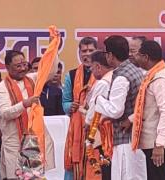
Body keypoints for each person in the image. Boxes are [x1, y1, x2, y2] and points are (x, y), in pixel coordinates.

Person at [0, 49, 57, 179]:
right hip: (14, 143)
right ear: (7, 67)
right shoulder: (1, 87)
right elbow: (5, 113)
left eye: (24, 64)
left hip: (33, 141)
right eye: (18, 66)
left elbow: (50, 72)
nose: (23, 68)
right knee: (16, 177)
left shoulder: (31, 79)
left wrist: (54, 48)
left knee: (35, 177)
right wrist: (24, 104)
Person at [94, 35, 147, 180]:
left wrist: (98, 100)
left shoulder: (121, 77)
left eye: (105, 53)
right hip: (135, 138)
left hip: (126, 141)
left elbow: (116, 111)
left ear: (110, 55)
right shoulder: (134, 69)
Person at [132, 40, 165, 180]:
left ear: (146, 57)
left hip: (157, 145)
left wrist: (159, 144)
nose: (135, 57)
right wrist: (129, 120)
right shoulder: (151, 76)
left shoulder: (161, 78)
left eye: (137, 54)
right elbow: (146, 109)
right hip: (151, 143)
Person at [63, 37, 97, 179]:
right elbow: (65, 103)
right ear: (79, 52)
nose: (87, 54)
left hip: (96, 128)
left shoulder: (104, 74)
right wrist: (71, 106)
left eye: (91, 50)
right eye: (84, 51)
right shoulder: (71, 75)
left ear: (97, 51)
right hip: (77, 128)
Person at [85, 50, 113, 180]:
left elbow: (94, 108)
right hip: (111, 132)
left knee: (106, 170)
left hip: (104, 133)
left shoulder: (102, 83)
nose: (91, 71)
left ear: (98, 66)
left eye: (91, 67)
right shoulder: (115, 77)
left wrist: (86, 123)